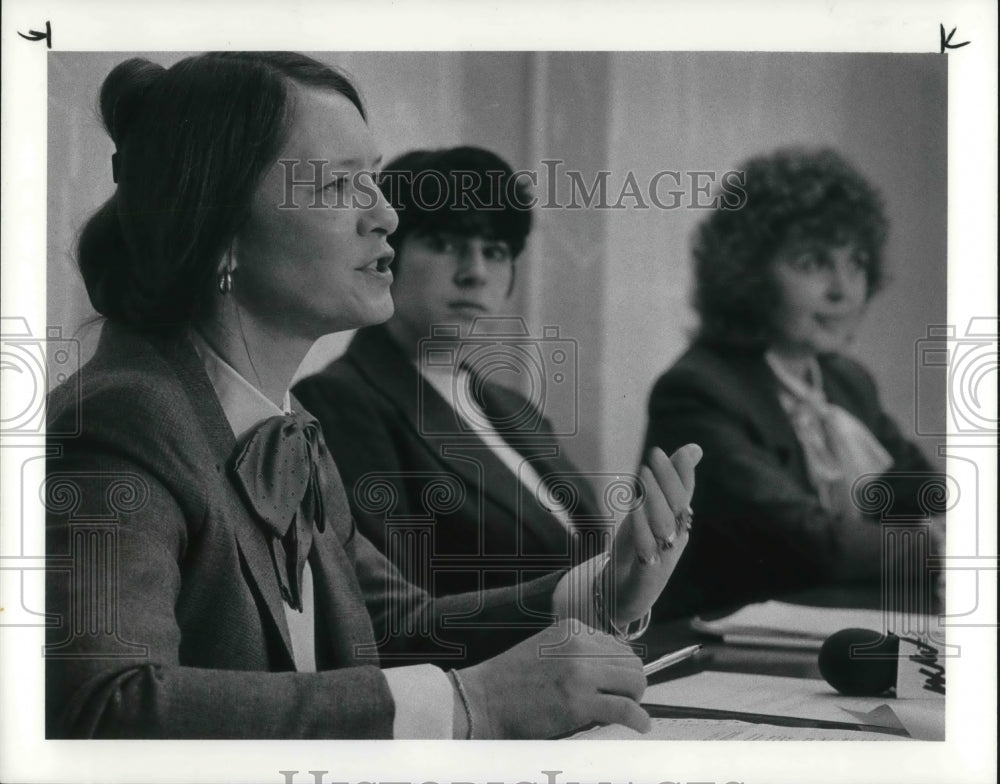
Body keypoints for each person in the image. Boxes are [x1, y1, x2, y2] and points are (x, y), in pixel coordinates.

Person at [46, 52, 701, 740]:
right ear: (218, 231)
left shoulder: (285, 423)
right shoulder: (119, 422)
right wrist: (465, 706)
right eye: (338, 186)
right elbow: (103, 707)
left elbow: (391, 628)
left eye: (375, 181)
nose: (386, 214)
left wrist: (602, 589)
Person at [642, 147, 944, 619]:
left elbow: (926, 490)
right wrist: (943, 539)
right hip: (715, 655)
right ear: (747, 274)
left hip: (827, 630)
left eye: (857, 263)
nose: (843, 290)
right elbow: (817, 546)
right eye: (812, 263)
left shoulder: (846, 381)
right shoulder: (698, 389)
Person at [294, 146, 601, 597]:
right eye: (445, 244)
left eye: (494, 251)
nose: (475, 273)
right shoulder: (339, 402)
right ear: (387, 255)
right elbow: (391, 611)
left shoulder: (514, 408)